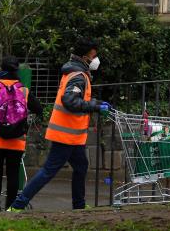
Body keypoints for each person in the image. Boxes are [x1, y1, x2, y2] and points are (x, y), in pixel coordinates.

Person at [8, 38, 110, 211]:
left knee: (81, 166)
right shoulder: (78, 75)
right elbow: (70, 100)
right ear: (85, 57)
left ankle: (78, 205)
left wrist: (98, 103)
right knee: (49, 170)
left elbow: (78, 99)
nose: (96, 60)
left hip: (72, 134)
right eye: (94, 56)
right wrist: (96, 106)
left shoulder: (75, 73)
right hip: (67, 134)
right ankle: (18, 205)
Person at [0, 56, 43, 212]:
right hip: (17, 139)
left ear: (2, 69)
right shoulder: (23, 90)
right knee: (13, 173)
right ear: (16, 70)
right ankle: (10, 207)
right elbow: (39, 109)